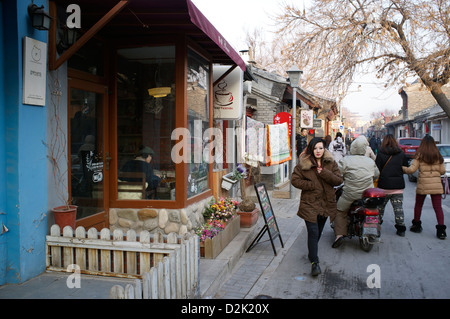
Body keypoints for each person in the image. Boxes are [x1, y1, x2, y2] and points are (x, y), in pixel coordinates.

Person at [291, 137, 343, 276]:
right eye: (315, 148)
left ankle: (311, 253)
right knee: (313, 232)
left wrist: (325, 173)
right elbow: (294, 180)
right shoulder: (304, 163)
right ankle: (315, 263)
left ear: (324, 148)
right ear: (311, 149)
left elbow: (339, 180)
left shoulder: (331, 163)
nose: (318, 151)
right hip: (310, 203)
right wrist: (310, 185)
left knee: (318, 232)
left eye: (321, 148)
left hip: (326, 204)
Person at [332, 135, 380, 248]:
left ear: (352, 148)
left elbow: (338, 174)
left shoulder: (346, 160)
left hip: (349, 194)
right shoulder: (370, 161)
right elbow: (376, 174)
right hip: (367, 195)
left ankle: (339, 235)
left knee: (340, 211)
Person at [402, 135, 446, 239]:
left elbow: (412, 170)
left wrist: (402, 168)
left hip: (423, 184)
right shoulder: (438, 156)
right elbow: (443, 171)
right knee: (438, 207)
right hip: (436, 185)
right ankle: (441, 231)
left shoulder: (419, 155)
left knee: (418, 205)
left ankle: (416, 225)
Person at [375, 134, 409, 236]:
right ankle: (401, 229)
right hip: (397, 187)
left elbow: (377, 169)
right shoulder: (400, 153)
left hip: (383, 186)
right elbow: (405, 167)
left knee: (380, 208)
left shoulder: (380, 153)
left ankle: (376, 227)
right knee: (398, 209)